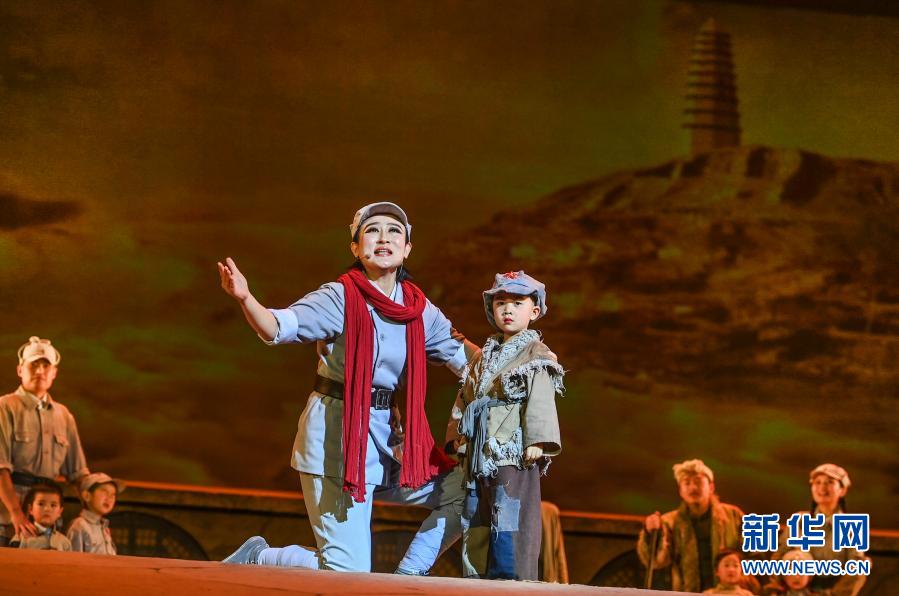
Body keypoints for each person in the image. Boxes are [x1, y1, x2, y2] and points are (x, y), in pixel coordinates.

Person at [218, 202, 479, 574]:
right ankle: (261, 557)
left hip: (390, 442)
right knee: (347, 573)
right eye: (372, 230)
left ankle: (407, 576)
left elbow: (469, 362)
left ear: (407, 248)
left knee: (467, 493)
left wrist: (523, 357)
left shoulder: (418, 308)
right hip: (338, 441)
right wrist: (247, 299)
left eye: (394, 231)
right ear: (355, 247)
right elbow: (279, 327)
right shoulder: (338, 297)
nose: (384, 238)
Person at [447, 271, 564, 580]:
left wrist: (537, 440)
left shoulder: (536, 353)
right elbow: (466, 397)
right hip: (479, 452)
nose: (508, 310)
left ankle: (509, 580)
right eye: (500, 303)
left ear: (534, 311)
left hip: (511, 450)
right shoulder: (483, 357)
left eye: (517, 303)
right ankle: (477, 578)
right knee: (478, 514)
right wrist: (457, 436)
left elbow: (540, 397)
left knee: (508, 514)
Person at [0, 337, 89, 546]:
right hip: (7, 521)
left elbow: (78, 475)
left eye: (46, 366)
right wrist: (16, 513)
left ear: (54, 373)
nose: (40, 371)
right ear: (20, 370)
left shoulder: (63, 415)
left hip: (48, 527)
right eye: (33, 365)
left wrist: (94, 521)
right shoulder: (5, 407)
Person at [637, 459, 758, 593]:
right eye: (687, 483)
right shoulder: (670, 522)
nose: (693, 487)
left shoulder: (733, 515)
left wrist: (741, 578)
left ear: (711, 487)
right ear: (680, 490)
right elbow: (656, 561)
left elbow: (755, 553)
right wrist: (651, 532)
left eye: (698, 482)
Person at [776, 464, 866, 596]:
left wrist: (830, 594)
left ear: (842, 490)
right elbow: (779, 555)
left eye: (830, 482)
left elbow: (856, 567)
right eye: (817, 482)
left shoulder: (850, 526)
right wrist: (776, 588)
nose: (822, 487)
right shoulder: (800, 520)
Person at [67, 472, 123, 555]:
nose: (109, 498)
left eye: (113, 495)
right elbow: (73, 559)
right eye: (104, 492)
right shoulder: (80, 525)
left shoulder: (104, 528)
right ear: (87, 496)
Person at [9, 481, 71, 551]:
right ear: (31, 509)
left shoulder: (65, 543)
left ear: (59, 512)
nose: (47, 509)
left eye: (53, 505)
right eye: (41, 504)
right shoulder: (21, 539)